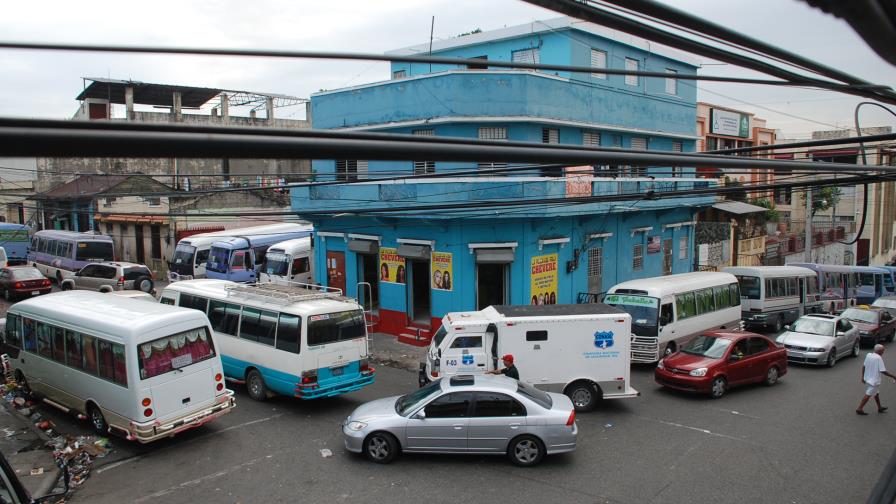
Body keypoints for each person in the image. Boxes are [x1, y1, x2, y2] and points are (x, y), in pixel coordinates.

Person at [856, 344, 896, 415]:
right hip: (874, 381)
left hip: (867, 378)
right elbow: (883, 371)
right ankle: (859, 408)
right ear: (879, 351)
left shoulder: (868, 355)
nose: (883, 352)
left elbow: (864, 366)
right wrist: (893, 376)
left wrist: (862, 377)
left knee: (876, 393)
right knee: (868, 394)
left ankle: (879, 407)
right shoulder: (878, 358)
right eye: (883, 351)